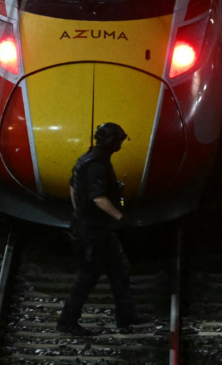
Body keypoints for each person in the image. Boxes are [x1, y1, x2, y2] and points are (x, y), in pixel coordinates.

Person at [57, 122, 154, 336]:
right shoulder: (97, 166)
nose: (120, 145)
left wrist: (79, 210)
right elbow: (98, 198)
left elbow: (73, 185)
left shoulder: (87, 158)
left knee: (119, 268)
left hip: (96, 228)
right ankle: (67, 322)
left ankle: (126, 316)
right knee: (86, 278)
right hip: (91, 232)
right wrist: (121, 218)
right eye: (119, 140)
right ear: (111, 141)